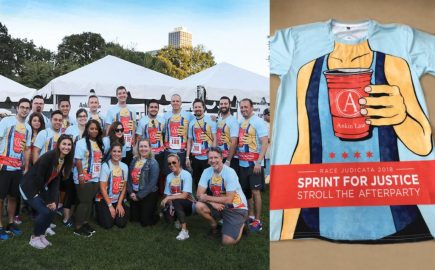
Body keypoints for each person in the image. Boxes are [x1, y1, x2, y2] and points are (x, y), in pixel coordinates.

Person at [19, 134, 74, 249]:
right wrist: (48, 200)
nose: (67, 147)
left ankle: (41, 235)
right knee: (44, 211)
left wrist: (53, 200)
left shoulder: (64, 158)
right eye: (64, 144)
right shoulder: (49, 156)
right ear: (58, 144)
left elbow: (56, 179)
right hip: (28, 187)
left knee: (52, 210)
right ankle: (34, 238)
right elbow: (39, 179)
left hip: (40, 187)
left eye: (69, 144)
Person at [196, 147, 248, 245]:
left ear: (222, 158)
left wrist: (207, 198)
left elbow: (229, 200)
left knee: (227, 242)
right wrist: (212, 203)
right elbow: (199, 194)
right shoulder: (206, 171)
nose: (213, 160)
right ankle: (214, 225)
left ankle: (243, 223)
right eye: (210, 158)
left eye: (216, 157)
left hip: (236, 207)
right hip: (219, 204)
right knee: (199, 206)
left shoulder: (230, 172)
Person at [0, 98, 32, 240]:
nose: (24, 110)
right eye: (22, 107)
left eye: (27, 108)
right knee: (0, 198)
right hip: (3, 166)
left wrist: (25, 166)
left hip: (17, 168)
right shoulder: (6, 121)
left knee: (14, 197)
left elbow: (26, 149)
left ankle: (11, 223)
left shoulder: (29, 128)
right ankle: (0, 225)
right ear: (17, 108)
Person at [238, 98, 268, 232]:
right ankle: (250, 215)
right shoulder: (241, 122)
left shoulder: (258, 122)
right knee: (246, 191)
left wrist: (259, 162)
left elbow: (265, 142)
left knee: (256, 192)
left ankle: (258, 220)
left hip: (254, 164)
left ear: (251, 107)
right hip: (242, 163)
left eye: (246, 107)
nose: (243, 109)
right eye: (241, 107)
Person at [73, 119, 104, 237]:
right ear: (87, 129)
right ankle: (78, 227)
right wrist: (81, 174)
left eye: (96, 129)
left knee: (89, 202)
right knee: (84, 202)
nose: (94, 131)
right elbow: (78, 160)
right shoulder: (81, 143)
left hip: (95, 177)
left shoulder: (99, 142)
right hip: (84, 177)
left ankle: (85, 223)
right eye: (92, 128)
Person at [61, 108, 88, 227]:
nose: (82, 118)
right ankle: (66, 218)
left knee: (79, 194)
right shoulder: (70, 129)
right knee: (70, 192)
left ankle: (72, 216)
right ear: (76, 118)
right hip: (71, 166)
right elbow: (64, 145)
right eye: (80, 116)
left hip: (83, 167)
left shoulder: (89, 130)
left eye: (84, 116)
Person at [161, 153, 194, 241]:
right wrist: (168, 202)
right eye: (169, 163)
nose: (171, 165)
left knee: (177, 200)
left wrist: (169, 198)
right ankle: (177, 218)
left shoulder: (186, 175)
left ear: (179, 162)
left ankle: (184, 231)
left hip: (188, 203)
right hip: (174, 202)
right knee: (169, 220)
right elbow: (167, 194)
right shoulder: (169, 176)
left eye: (174, 162)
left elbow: (184, 195)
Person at [96, 142, 129, 229]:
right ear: (110, 152)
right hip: (104, 200)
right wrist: (110, 206)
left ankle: (120, 209)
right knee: (108, 224)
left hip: (117, 199)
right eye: (114, 151)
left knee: (121, 223)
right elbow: (102, 188)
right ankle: (102, 212)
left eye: (119, 151)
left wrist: (119, 203)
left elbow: (124, 187)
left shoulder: (125, 167)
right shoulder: (105, 166)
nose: (116, 154)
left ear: (122, 153)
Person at [127, 139, 160, 226]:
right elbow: (129, 178)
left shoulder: (153, 163)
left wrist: (139, 196)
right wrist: (131, 193)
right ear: (138, 148)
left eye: (145, 146)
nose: (143, 149)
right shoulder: (134, 160)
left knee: (145, 222)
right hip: (134, 192)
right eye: (141, 146)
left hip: (148, 193)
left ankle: (157, 214)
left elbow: (152, 183)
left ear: (149, 148)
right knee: (134, 219)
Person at [186, 98, 216, 186]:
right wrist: (187, 157)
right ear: (193, 109)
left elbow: (214, 139)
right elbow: (189, 141)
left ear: (204, 108)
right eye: (195, 107)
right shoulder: (191, 123)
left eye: (199, 107)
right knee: (197, 180)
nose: (197, 109)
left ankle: (209, 199)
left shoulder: (211, 120)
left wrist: (212, 155)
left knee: (210, 181)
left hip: (208, 157)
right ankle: (199, 198)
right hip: (196, 158)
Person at [105, 86, 136, 166]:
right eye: (119, 93)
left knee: (126, 171)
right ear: (116, 96)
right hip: (115, 148)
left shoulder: (132, 110)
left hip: (128, 147)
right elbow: (108, 129)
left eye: (124, 93)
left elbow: (133, 128)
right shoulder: (111, 110)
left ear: (127, 94)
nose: (122, 95)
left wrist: (133, 144)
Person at [163, 94, 193, 174]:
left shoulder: (189, 115)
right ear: (171, 103)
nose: (175, 103)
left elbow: (198, 120)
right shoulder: (165, 116)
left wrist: (212, 118)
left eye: (177, 101)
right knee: (169, 175)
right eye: (173, 101)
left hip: (182, 152)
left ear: (181, 103)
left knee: (181, 175)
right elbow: (162, 131)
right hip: (169, 151)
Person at [136, 99, 165, 178]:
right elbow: (138, 138)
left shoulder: (162, 120)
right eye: (151, 107)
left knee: (159, 175)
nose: (153, 109)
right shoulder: (142, 121)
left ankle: (159, 190)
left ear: (158, 109)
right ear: (148, 108)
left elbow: (165, 134)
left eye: (156, 107)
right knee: (147, 175)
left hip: (160, 153)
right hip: (147, 153)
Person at [217, 96, 240, 174]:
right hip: (221, 157)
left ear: (230, 105)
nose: (223, 105)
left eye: (225, 103)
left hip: (230, 158)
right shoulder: (219, 120)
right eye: (221, 104)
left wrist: (228, 160)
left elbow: (234, 142)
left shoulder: (233, 121)